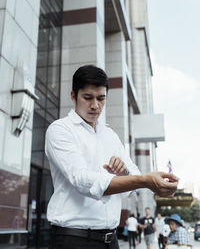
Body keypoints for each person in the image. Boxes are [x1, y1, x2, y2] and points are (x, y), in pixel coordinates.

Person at [45, 65, 179, 249]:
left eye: (101, 98)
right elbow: (82, 180)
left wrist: (124, 173)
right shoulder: (60, 130)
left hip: (111, 240)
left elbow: (132, 182)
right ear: (73, 96)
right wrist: (144, 180)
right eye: (87, 98)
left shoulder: (110, 135)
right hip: (73, 239)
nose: (95, 105)